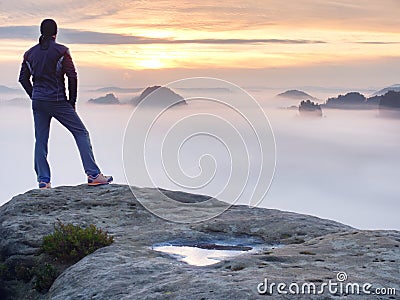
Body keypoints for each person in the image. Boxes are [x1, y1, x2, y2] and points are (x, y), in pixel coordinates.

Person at [18, 19, 112, 189]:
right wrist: (71, 102)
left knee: (40, 140)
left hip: (39, 102)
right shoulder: (61, 51)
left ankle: (43, 181)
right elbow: (72, 76)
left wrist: (35, 96)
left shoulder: (29, 54)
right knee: (81, 133)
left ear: (41, 31)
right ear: (56, 33)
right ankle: (93, 175)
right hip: (58, 100)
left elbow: (23, 79)